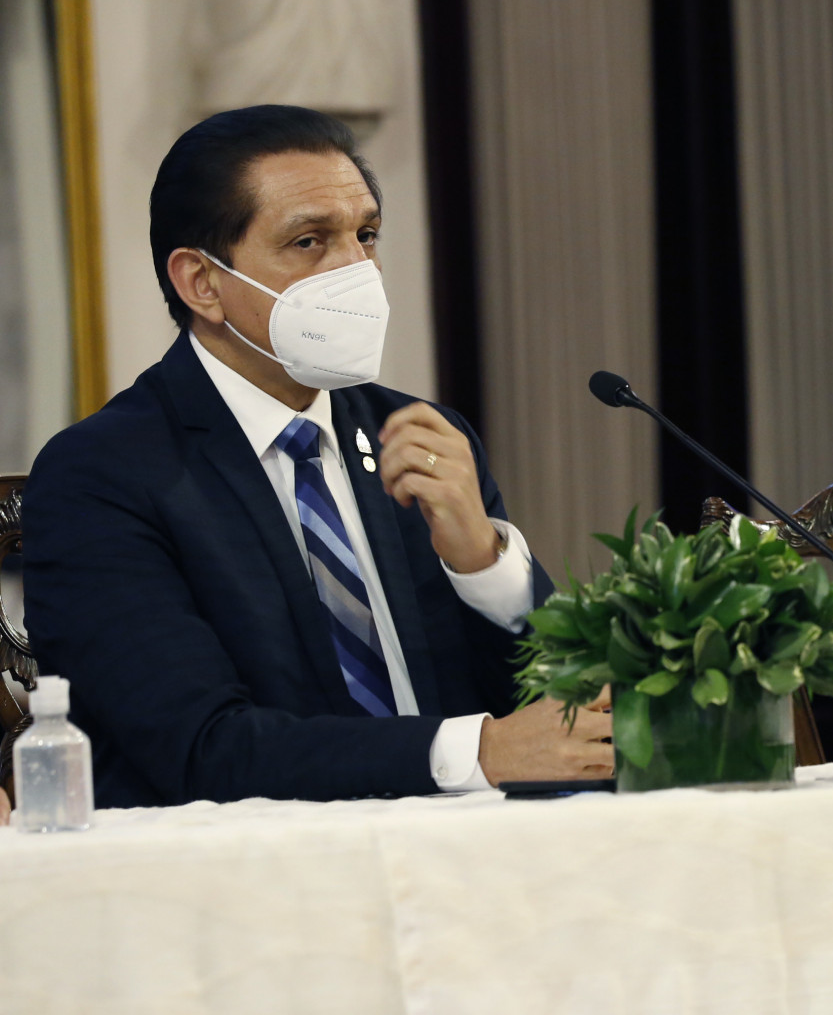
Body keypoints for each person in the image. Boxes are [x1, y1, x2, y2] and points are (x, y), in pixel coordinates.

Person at [24, 106, 613, 806]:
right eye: (309, 241)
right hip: (250, 859)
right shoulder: (102, 476)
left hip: (466, 841)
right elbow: (202, 748)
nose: (356, 271)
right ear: (202, 283)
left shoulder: (416, 436)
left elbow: (558, 713)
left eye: (366, 235)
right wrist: (477, 751)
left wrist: (483, 563)